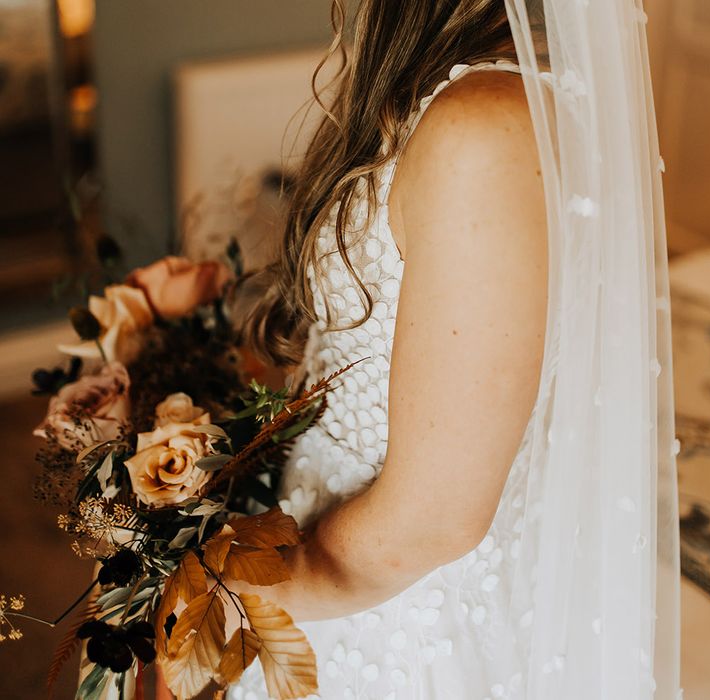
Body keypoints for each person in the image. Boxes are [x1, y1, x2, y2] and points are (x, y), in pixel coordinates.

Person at [222, 2, 547, 698]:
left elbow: (432, 521)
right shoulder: (435, 87)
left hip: (387, 609)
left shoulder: (484, 126)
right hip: (324, 544)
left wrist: (220, 588)